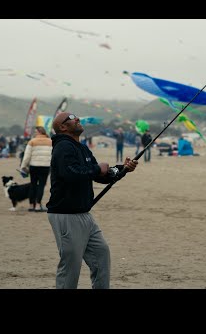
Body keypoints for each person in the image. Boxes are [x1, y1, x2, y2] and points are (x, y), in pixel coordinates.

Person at [46, 112, 138, 289]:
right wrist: (97, 168)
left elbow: (101, 177)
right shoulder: (63, 147)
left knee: (101, 255)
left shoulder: (81, 148)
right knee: (71, 267)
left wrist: (123, 169)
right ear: (63, 127)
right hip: (66, 215)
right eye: (72, 118)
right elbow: (70, 174)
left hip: (84, 214)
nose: (78, 119)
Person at [20, 126, 52, 212]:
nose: (34, 133)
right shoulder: (50, 142)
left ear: (40, 132)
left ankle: (31, 205)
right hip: (45, 166)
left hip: (34, 166)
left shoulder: (32, 141)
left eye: (36, 132)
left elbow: (27, 156)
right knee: (41, 186)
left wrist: (23, 166)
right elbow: (53, 155)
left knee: (33, 185)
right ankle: (37, 206)